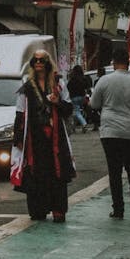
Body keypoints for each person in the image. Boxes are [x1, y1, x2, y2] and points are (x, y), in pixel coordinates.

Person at [13, 49, 75, 222]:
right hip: (35, 138)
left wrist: (57, 102)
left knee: (57, 173)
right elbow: (20, 112)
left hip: (55, 138)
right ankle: (38, 210)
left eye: (42, 60)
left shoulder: (58, 83)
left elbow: (69, 108)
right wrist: (18, 137)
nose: (38, 63)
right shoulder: (26, 85)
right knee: (35, 173)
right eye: (35, 60)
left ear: (48, 63)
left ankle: (58, 209)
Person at [90, 48, 130, 220]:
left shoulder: (104, 80)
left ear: (113, 62)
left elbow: (94, 104)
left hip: (110, 132)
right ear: (129, 62)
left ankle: (118, 208)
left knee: (114, 171)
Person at [67, 64, 90, 133]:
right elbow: (87, 86)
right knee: (80, 112)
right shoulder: (83, 78)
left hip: (74, 97)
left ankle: (84, 123)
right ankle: (74, 127)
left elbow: (68, 87)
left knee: (76, 111)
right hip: (82, 97)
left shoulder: (72, 80)